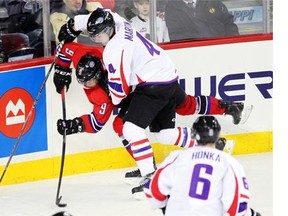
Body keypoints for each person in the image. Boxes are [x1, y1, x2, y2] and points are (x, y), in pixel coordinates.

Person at [55, 8, 245, 197]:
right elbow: (102, 14)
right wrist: (74, 26)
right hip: (164, 70)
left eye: (96, 36)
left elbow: (118, 94)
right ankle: (213, 142)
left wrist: (107, 98)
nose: (93, 39)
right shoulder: (118, 23)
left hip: (153, 83)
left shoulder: (114, 51)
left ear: (106, 31)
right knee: (166, 133)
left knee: (128, 128)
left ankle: (150, 176)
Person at [144, 115, 261, 216]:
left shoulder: (177, 157)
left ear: (194, 134)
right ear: (217, 135)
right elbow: (237, 206)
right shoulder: (228, 163)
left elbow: (152, 189)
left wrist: (165, 207)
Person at [165, 0, 239, 41]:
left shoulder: (213, 2)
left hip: (221, 48)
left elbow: (229, 24)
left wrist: (231, 43)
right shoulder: (171, 8)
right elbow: (176, 36)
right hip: (194, 53)